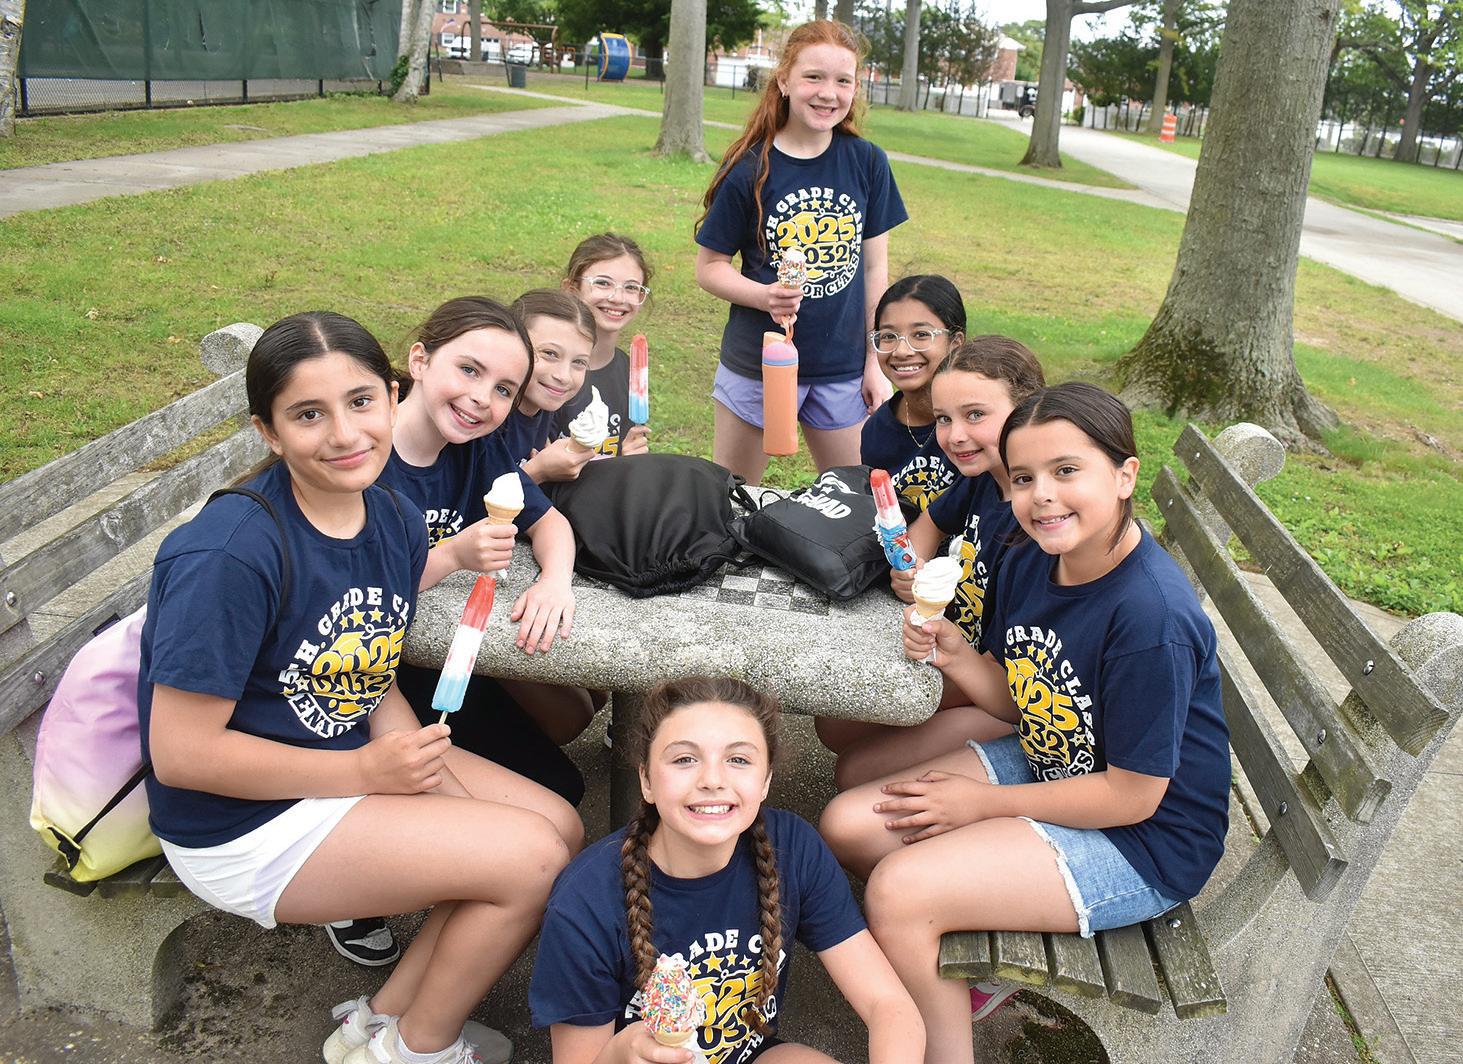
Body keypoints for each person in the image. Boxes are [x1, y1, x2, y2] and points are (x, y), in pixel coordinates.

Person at [138, 311, 582, 1064]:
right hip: (240, 822)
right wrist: (364, 771)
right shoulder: (228, 555)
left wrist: (408, 761)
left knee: (559, 826)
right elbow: (182, 756)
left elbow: (369, 671)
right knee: (529, 861)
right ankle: (415, 1051)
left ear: (391, 395)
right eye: (309, 414)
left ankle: (376, 1024)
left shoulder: (393, 516)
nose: (345, 434)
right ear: (269, 431)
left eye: (361, 402)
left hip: (341, 761)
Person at [820, 383, 1231, 1062]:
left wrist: (982, 806)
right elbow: (1021, 702)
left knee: (899, 892)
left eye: (1066, 471)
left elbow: (1132, 796)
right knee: (847, 823)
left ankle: (943, 1039)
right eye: (1022, 478)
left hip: (1145, 840)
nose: (1042, 495)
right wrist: (956, 653)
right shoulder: (1033, 555)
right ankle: (955, 951)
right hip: (1056, 760)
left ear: (1124, 475)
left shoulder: (1150, 620)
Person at [530, 676, 924, 1064]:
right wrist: (620, 1053)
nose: (713, 780)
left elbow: (888, 1004)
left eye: (738, 760)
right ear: (646, 779)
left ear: (765, 780)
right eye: (684, 759)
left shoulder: (793, 849)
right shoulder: (585, 904)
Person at [381, 296, 595, 795]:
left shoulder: (476, 447)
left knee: (572, 731)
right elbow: (358, 584)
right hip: (380, 674)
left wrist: (554, 582)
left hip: (443, 646)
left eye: (502, 389)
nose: (482, 398)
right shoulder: (366, 456)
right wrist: (453, 555)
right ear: (420, 360)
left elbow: (550, 522)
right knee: (562, 790)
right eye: (469, 370)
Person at [819, 337, 1046, 789]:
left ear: (1027, 411)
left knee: (855, 771)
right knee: (833, 725)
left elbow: (1005, 671)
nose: (955, 435)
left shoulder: (1038, 522)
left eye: (975, 415)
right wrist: (914, 569)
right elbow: (929, 525)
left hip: (1009, 697)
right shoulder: (984, 477)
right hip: (959, 650)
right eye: (944, 418)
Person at [695, 19, 908, 483]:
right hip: (760, 365)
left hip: (843, 369)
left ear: (856, 88)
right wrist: (764, 296)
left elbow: (875, 270)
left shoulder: (867, 162)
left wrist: (875, 361)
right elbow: (709, 267)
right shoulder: (750, 167)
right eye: (813, 77)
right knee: (731, 500)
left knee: (859, 501)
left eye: (843, 81)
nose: (828, 93)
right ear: (784, 80)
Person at [858, 275, 967, 512]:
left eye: (921, 335)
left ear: (955, 343)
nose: (901, 351)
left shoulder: (979, 423)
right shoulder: (876, 432)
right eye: (888, 336)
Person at [553, 233, 655, 458]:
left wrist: (628, 459)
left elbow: (621, 457)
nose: (618, 298)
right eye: (602, 283)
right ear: (571, 289)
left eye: (631, 287)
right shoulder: (550, 371)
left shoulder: (628, 371)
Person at [499, 289, 598, 484]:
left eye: (579, 362)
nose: (564, 376)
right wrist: (537, 472)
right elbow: (466, 500)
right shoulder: (489, 417)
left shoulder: (545, 408)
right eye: (550, 354)